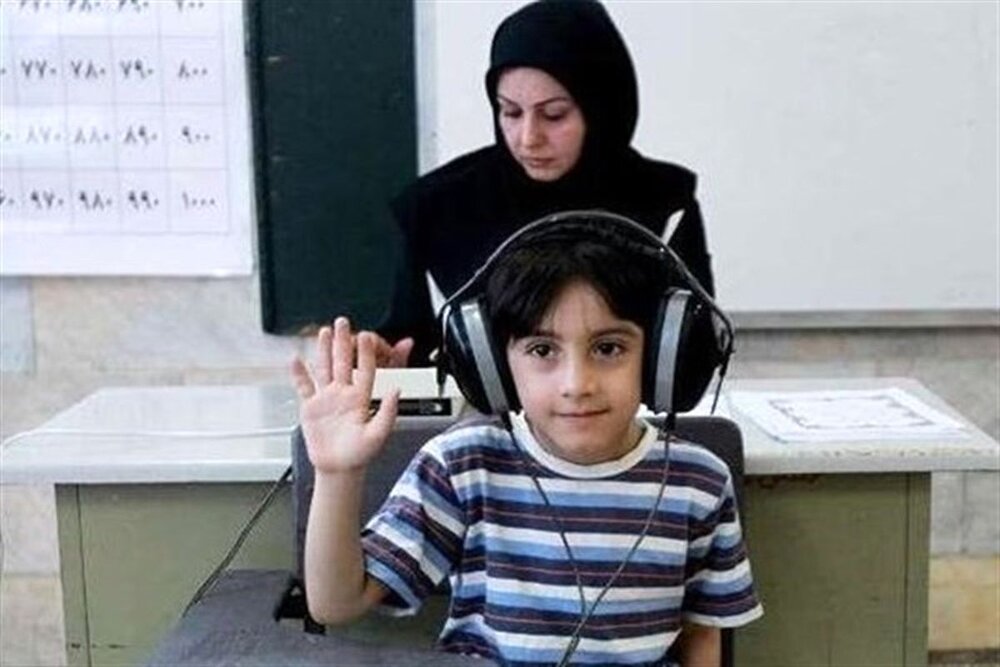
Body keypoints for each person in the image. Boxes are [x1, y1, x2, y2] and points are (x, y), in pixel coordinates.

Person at [292, 215, 761, 666]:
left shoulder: (699, 482)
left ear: (662, 356)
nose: (577, 384)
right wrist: (337, 474)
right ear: (494, 366)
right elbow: (336, 603)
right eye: (542, 349)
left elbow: (702, 632)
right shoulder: (465, 465)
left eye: (608, 348)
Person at [375, 0, 716, 367]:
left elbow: (695, 353)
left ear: (601, 110)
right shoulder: (436, 208)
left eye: (554, 115)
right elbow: (410, 345)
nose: (528, 138)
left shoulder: (665, 204)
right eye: (510, 112)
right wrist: (388, 361)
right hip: (476, 405)